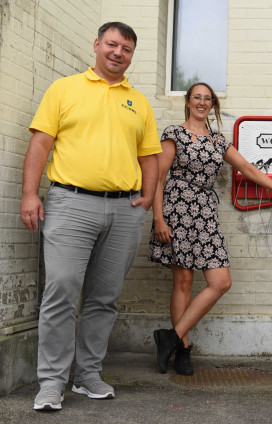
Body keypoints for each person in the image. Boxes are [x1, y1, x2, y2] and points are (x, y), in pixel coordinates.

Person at [19, 22, 161, 410]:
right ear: (97, 45)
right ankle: (51, 383)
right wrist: (29, 194)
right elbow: (41, 141)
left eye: (127, 49)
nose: (118, 53)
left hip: (125, 209)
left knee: (103, 298)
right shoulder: (65, 89)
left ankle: (87, 377)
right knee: (61, 290)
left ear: (132, 55)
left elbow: (149, 155)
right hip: (71, 203)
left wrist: (148, 196)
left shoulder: (139, 101)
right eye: (112, 45)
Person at [148, 82, 272, 375]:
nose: (201, 102)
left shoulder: (218, 141)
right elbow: (159, 178)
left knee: (220, 282)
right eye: (196, 98)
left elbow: (248, 169)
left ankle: (171, 338)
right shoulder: (173, 133)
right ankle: (183, 351)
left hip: (205, 212)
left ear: (212, 104)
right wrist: (158, 219)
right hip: (176, 208)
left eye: (207, 99)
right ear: (188, 102)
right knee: (184, 283)